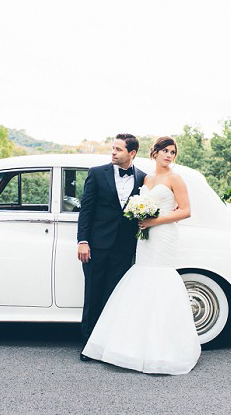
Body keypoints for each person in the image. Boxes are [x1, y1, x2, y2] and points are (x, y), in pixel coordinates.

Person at [81, 136, 201, 374]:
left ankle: (162, 347)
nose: (169, 155)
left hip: (162, 236)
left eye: (172, 152)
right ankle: (115, 343)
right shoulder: (145, 179)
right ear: (154, 153)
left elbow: (186, 211)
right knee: (132, 286)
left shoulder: (175, 178)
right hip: (141, 241)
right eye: (165, 151)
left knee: (159, 283)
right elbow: (91, 209)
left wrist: (154, 220)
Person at [77, 133, 147, 361]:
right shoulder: (97, 173)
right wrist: (83, 241)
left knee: (114, 297)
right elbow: (86, 210)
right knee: (93, 294)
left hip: (125, 247)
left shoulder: (143, 179)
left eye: (118, 149)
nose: (113, 152)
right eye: (113, 148)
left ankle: (109, 344)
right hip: (96, 245)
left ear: (132, 153)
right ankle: (89, 345)